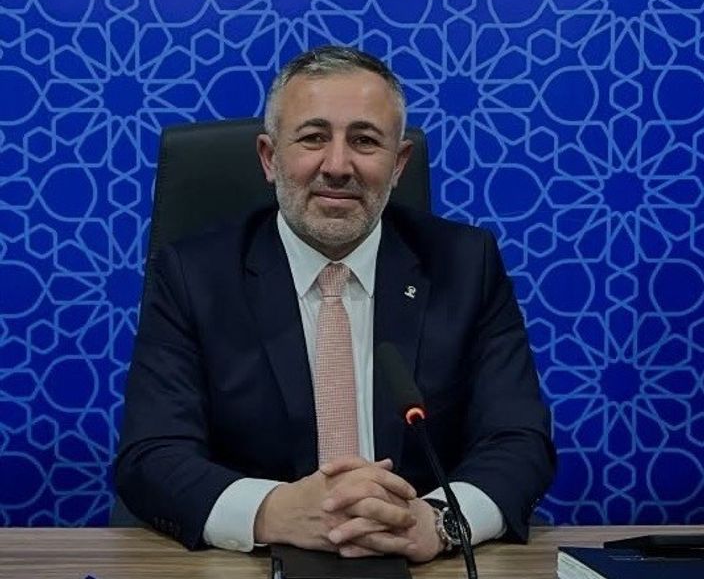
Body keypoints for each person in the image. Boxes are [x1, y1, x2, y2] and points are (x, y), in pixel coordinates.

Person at [115, 45, 555, 563]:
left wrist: (437, 521)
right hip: (250, 564)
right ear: (269, 157)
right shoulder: (193, 275)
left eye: (365, 141)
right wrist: (273, 510)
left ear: (399, 164)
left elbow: (519, 441)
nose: (338, 166)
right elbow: (152, 454)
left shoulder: (465, 265)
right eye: (313, 138)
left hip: (421, 564)